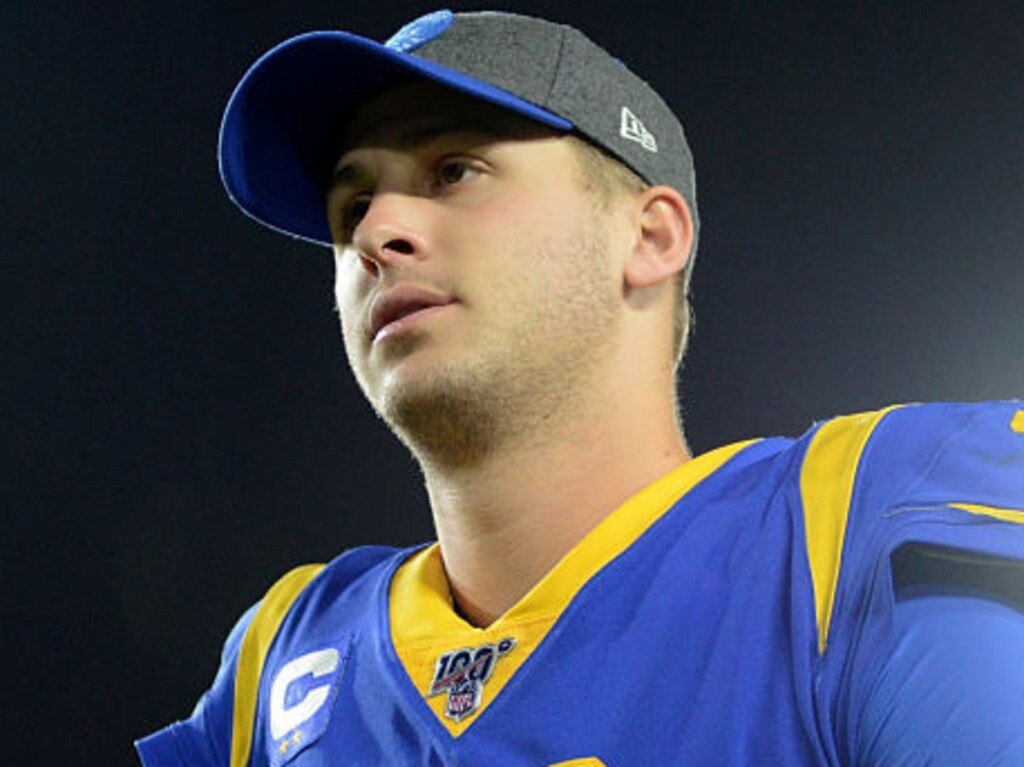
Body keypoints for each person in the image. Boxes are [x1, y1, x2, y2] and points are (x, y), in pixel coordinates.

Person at [136, 10, 1024, 766]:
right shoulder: (279, 659)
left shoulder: (858, 533)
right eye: (349, 209)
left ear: (649, 237)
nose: (378, 231)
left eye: (453, 170)